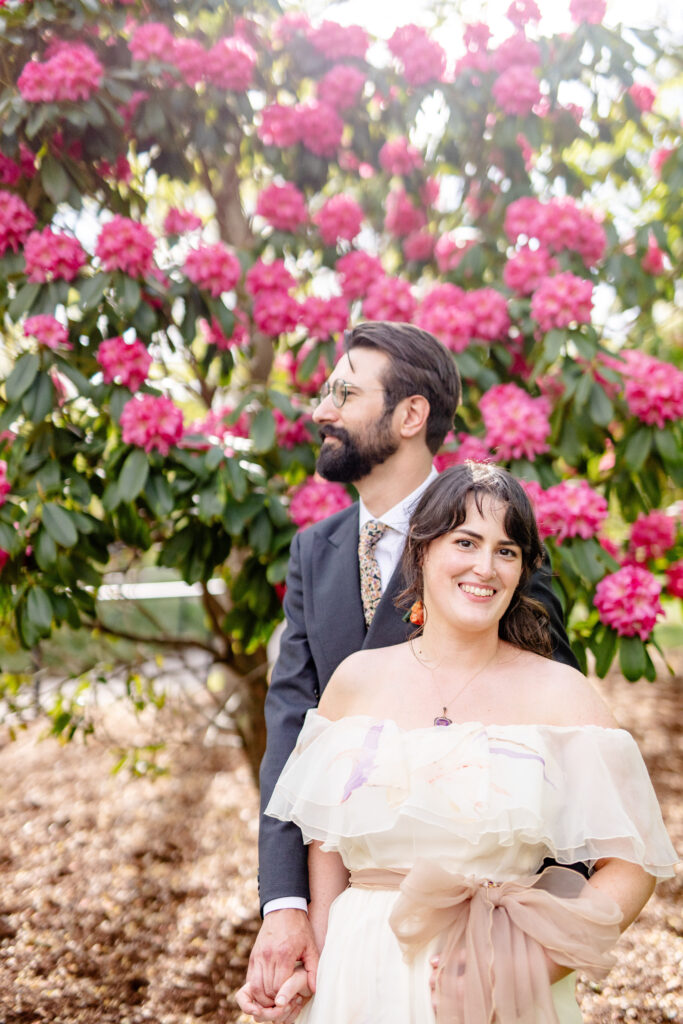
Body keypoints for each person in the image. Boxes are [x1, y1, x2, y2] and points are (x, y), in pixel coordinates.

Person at [238, 322, 578, 1021]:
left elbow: (566, 767)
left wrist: (535, 943)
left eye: (344, 391)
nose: (320, 411)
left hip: (475, 954)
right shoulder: (313, 551)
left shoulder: (490, 549)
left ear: (410, 414)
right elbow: (292, 740)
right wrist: (287, 907)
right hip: (352, 928)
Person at [260, 463, 677, 1023]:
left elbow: (632, 864)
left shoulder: (560, 692)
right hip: (359, 973)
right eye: (466, 541)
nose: (486, 567)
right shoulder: (356, 680)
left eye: (507, 551)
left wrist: (529, 959)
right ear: (423, 550)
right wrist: (318, 962)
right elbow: (329, 841)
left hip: (494, 979)